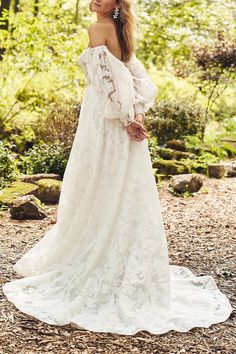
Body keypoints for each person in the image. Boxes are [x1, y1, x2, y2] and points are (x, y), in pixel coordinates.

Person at [3, 0, 232, 335]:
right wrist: (136, 116)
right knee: (120, 186)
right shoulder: (123, 31)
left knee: (97, 181)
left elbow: (107, 82)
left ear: (117, 3)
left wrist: (126, 120)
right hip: (121, 120)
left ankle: (97, 251)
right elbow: (136, 79)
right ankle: (114, 250)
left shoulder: (97, 28)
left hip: (106, 121)